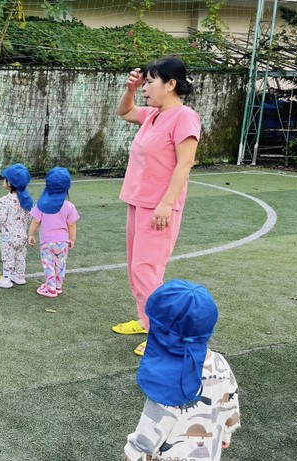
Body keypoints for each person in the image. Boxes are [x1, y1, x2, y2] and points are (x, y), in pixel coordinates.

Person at [113, 56, 201, 356]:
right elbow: (124, 111)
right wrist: (131, 89)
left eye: (150, 82)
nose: (146, 87)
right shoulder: (153, 115)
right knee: (135, 268)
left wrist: (166, 204)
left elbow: (185, 163)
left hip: (159, 207)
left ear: (171, 84)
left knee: (147, 269)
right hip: (138, 201)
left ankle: (161, 334)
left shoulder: (184, 116)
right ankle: (145, 319)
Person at [124, 279, 240, 461]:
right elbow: (230, 399)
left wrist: (132, 454)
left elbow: (151, 430)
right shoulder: (220, 362)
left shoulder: (167, 377)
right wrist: (226, 432)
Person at [28, 167, 80, 298]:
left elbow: (35, 221)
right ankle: (58, 286)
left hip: (47, 242)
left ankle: (50, 289)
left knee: (48, 265)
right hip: (63, 242)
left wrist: (30, 234)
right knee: (60, 264)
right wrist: (72, 239)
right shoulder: (69, 206)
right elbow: (72, 224)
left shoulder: (41, 205)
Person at [0, 163, 33, 288]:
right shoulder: (27, 200)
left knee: (8, 257)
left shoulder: (5, 201)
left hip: (8, 236)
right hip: (22, 235)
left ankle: (6, 280)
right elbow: (30, 216)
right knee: (20, 257)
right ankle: (19, 276)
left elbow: (1, 217)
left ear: (9, 183)